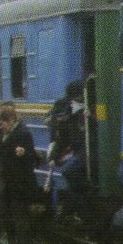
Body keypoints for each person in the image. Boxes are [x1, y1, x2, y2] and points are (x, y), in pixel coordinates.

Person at [0, 101, 37, 244]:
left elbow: (30, 158)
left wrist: (24, 153)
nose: (1, 128)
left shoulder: (22, 133)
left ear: (11, 120)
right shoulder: (8, 133)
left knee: (19, 217)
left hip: (18, 183)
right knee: (0, 214)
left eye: (3, 124)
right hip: (7, 181)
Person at [46, 80, 89, 220]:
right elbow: (63, 137)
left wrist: (92, 116)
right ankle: (76, 209)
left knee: (69, 171)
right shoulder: (70, 112)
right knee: (69, 172)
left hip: (91, 148)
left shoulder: (95, 104)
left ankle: (83, 203)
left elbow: (104, 119)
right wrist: (53, 156)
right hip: (79, 150)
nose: (74, 101)